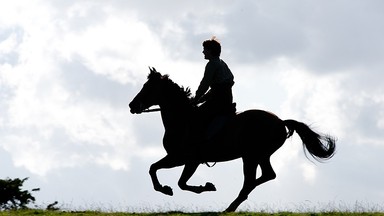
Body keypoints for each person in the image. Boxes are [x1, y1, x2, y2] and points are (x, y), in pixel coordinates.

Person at [192, 37, 235, 143]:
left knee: (196, 117)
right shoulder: (222, 63)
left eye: (205, 49)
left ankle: (203, 142)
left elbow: (204, 85)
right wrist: (202, 98)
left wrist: (196, 98)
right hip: (225, 99)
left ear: (210, 51)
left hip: (218, 101)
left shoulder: (212, 64)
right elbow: (219, 87)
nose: (203, 52)